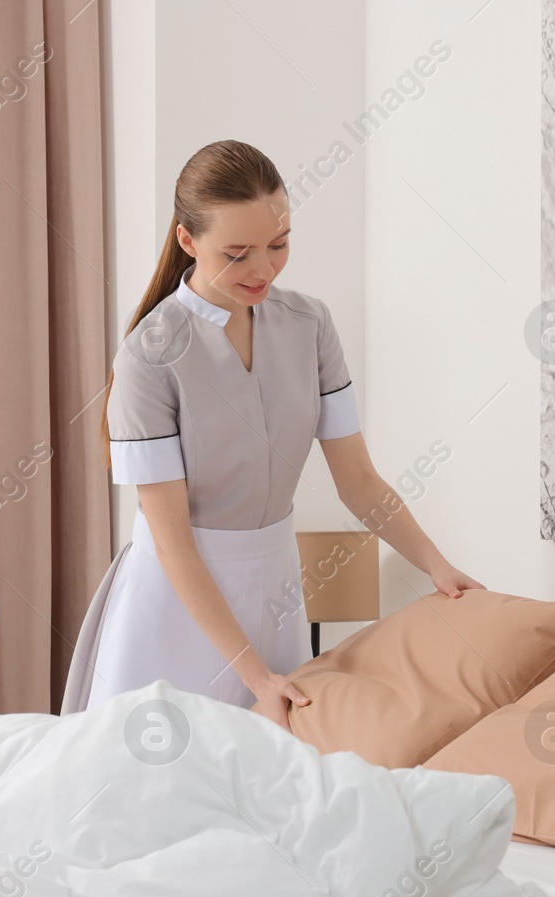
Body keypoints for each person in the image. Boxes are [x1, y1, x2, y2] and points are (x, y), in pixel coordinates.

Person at [60, 140, 481, 728]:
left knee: (273, 790)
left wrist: (436, 565)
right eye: (237, 254)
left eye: (278, 245)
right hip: (177, 604)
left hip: (276, 590)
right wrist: (254, 675)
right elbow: (174, 543)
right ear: (187, 241)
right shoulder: (147, 358)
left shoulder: (309, 325)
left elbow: (357, 479)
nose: (262, 269)